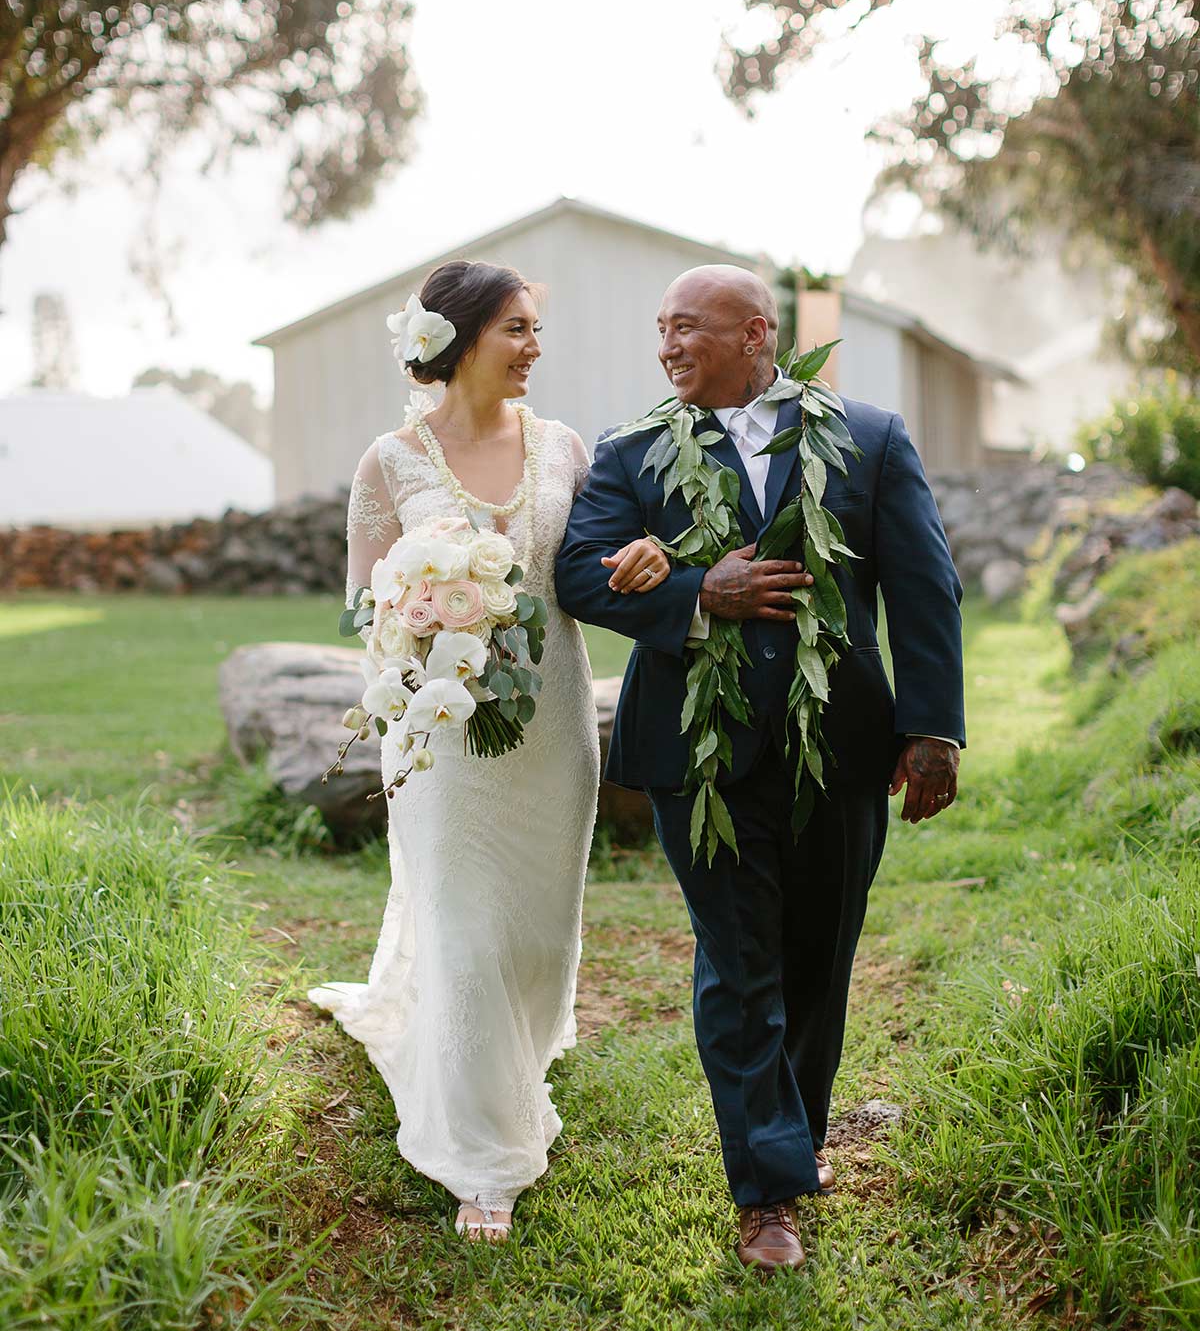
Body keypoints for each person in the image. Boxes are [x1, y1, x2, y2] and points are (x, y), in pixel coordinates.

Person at [555, 265, 965, 1274]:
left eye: (687, 327)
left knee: (818, 958)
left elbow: (923, 586)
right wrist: (699, 592)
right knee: (740, 966)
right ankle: (768, 1193)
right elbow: (577, 571)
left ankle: (800, 1139)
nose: (666, 346)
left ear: (755, 333)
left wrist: (934, 730)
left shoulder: (867, 437)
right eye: (659, 329)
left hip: (845, 746)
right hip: (702, 754)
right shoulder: (633, 449)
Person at [307, 260, 669, 1244]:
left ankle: (523, 1046)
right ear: (459, 338)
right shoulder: (390, 462)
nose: (534, 348)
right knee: (466, 934)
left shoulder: (563, 450)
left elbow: (597, 568)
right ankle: (481, 1160)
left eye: (534, 331)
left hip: (551, 719)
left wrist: (645, 564)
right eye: (516, 329)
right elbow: (358, 604)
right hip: (443, 735)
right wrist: (416, 624)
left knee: (538, 930)